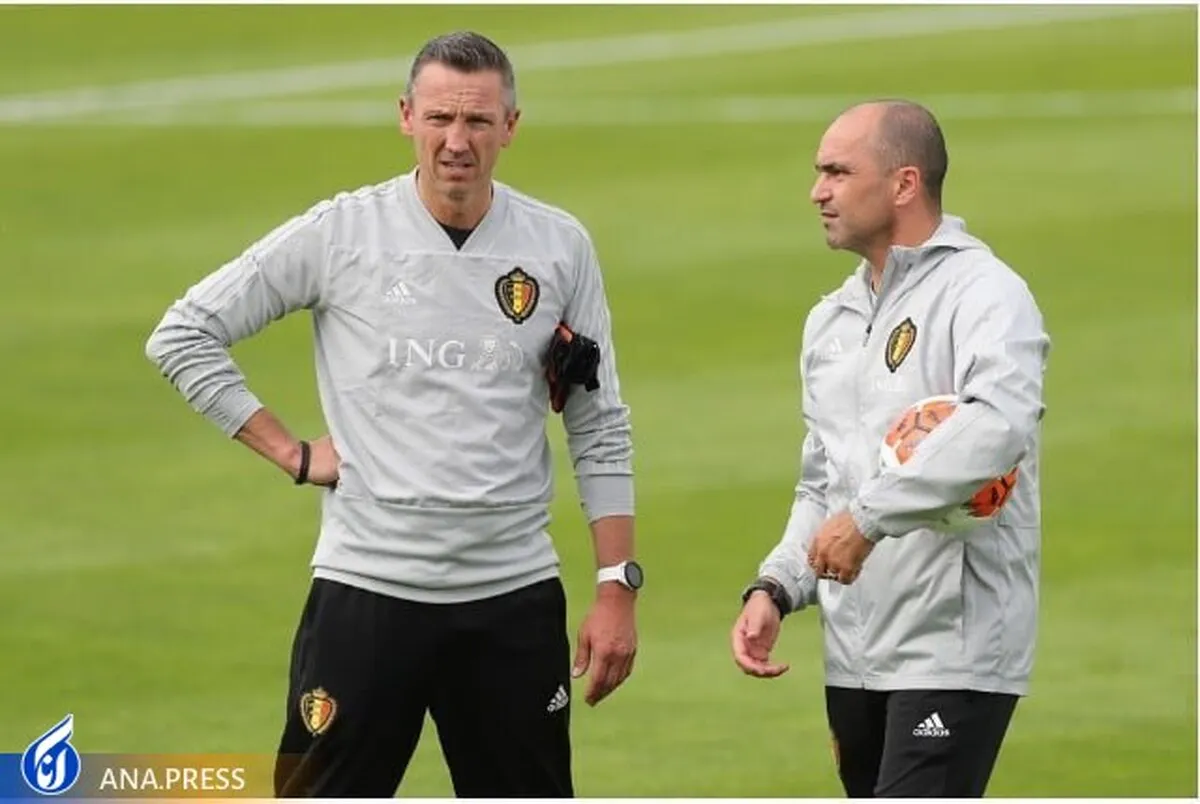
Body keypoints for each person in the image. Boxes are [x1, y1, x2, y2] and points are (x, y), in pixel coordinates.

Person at [144, 30, 642, 799]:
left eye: (477, 121)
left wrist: (616, 585)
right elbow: (184, 333)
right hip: (369, 591)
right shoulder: (342, 233)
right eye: (439, 118)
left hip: (512, 597)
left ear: (510, 126)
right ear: (406, 116)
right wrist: (290, 453)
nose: (456, 141)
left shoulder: (558, 246)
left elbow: (598, 420)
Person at [730, 100, 1050, 798]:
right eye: (819, 173)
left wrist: (870, 518)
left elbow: (999, 423)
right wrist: (777, 586)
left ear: (904, 183)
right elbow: (823, 484)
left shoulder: (987, 294)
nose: (817, 192)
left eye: (838, 172)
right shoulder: (832, 320)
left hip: (952, 649)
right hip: (855, 653)